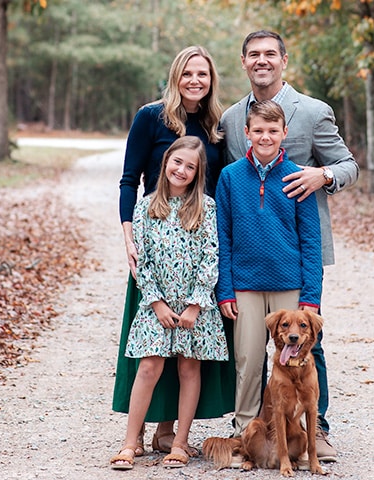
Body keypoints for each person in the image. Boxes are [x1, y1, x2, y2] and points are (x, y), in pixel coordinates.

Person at [221, 30, 360, 462]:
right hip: (247, 263)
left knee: (305, 343)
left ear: (283, 59)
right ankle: (251, 432)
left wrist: (323, 176)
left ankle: (316, 429)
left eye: (270, 54)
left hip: (294, 257)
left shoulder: (314, 111)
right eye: (254, 55)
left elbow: (348, 165)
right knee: (247, 354)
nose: (262, 61)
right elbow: (229, 192)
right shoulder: (229, 118)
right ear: (244, 61)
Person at [111, 45, 235, 463]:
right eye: (187, 73)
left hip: (200, 235)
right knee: (152, 348)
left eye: (203, 74)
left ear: (211, 79)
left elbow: (227, 180)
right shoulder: (151, 117)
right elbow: (130, 179)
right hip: (155, 242)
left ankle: (172, 435)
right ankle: (136, 436)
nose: (195, 81)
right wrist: (129, 234)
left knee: (188, 357)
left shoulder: (218, 124)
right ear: (175, 75)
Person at [216, 100, 323, 437]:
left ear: (284, 133)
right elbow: (223, 236)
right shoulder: (230, 177)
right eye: (258, 131)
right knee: (247, 361)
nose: (265, 137)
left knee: (296, 360)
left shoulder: (298, 176)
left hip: (288, 284)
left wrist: (310, 296)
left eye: (272, 131)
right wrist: (225, 290)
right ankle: (246, 430)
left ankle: (296, 434)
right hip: (244, 285)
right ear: (246, 133)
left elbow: (310, 241)